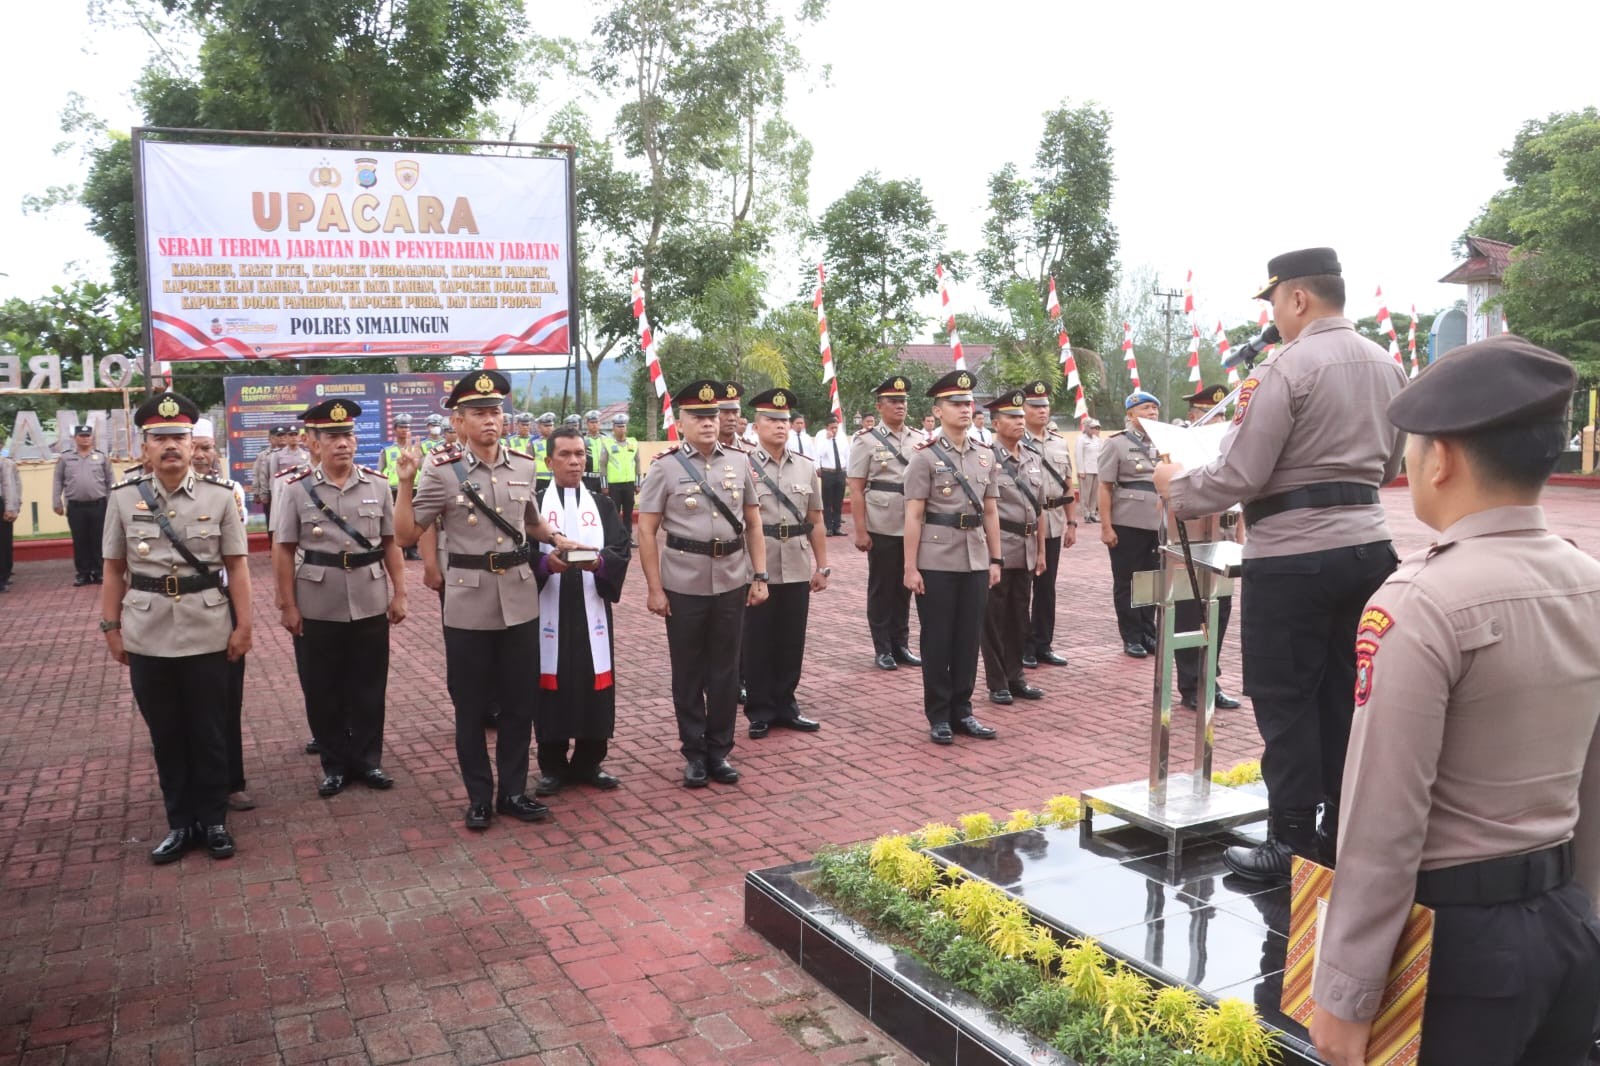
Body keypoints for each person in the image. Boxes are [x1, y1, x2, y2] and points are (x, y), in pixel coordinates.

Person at [1308, 335, 1600, 1066]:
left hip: (1458, 952)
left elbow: (1382, 818)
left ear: (1440, 458)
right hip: (1566, 925)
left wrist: (1344, 992)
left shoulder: (1422, 602)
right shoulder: (1588, 580)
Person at [1155, 247, 1407, 883]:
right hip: (1370, 550)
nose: (1274, 315)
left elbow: (1239, 473)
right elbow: (1391, 468)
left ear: (1297, 298)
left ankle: (1290, 841)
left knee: (1286, 697)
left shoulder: (1284, 368)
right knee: (1350, 692)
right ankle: (1340, 829)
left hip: (1294, 556)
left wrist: (1176, 485)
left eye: (1273, 302)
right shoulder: (1388, 364)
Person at [395, 370, 575, 830]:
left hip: (518, 597)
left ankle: (513, 791)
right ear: (459, 422)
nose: (490, 420)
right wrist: (404, 483)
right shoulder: (440, 470)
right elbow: (406, 534)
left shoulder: (523, 463)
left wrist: (557, 538)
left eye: (495, 411)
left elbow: (530, 522)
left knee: (520, 703)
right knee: (471, 706)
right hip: (468, 602)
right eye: (479, 413)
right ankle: (479, 797)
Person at [99, 392, 252, 863]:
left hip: (208, 627)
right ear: (144, 448)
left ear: (193, 445)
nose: (170, 446)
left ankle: (214, 821)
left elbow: (238, 567)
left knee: (209, 731)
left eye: (178, 438)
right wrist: (111, 627)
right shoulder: (123, 500)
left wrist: (244, 625)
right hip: (146, 631)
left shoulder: (221, 496)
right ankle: (180, 824)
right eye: (159, 438)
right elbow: (112, 569)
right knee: (166, 733)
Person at [637, 380, 768, 788]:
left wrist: (759, 575)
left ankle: (719, 750)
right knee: (689, 671)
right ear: (682, 422)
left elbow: (753, 521)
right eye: (699, 416)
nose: (709, 423)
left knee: (726, 671)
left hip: (731, 577)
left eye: (713, 416)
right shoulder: (665, 466)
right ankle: (693, 752)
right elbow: (646, 530)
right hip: (684, 581)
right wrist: (655, 588)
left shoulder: (738, 461)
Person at [273, 399, 407, 799]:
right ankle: (334, 764)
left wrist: (400, 593)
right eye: (332, 437)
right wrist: (287, 605)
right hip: (317, 599)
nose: (342, 444)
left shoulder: (378, 484)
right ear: (313, 443)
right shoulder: (296, 489)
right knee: (322, 687)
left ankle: (368, 760)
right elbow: (282, 549)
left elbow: (390, 544)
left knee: (369, 685)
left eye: (347, 435)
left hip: (368, 596)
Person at [903, 369, 1002, 746]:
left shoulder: (984, 456)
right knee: (938, 638)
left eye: (968, 403)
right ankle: (939, 714)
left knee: (966, 638)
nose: (964, 409)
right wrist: (910, 567)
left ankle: (964, 711)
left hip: (975, 558)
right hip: (936, 558)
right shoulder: (924, 458)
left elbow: (990, 511)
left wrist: (995, 559)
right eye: (956, 404)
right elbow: (913, 515)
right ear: (938, 410)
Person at [530, 427, 631, 795]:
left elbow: (621, 549)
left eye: (580, 454)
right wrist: (544, 567)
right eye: (566, 455)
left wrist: (599, 565)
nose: (575, 461)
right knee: (551, 680)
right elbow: (524, 555)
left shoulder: (602, 505)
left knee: (594, 680)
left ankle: (590, 761)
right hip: (550, 608)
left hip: (592, 609)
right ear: (549, 461)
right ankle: (552, 766)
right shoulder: (535, 505)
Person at [742, 388, 828, 739]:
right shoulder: (740, 464)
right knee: (757, 639)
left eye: (784, 421)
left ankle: (786, 705)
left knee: (792, 640)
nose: (780, 426)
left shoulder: (806, 467)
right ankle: (760, 709)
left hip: (795, 561)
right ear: (756, 425)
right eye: (772, 420)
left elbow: (816, 520)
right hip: (754, 567)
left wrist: (822, 565)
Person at [190, 418, 255, 810]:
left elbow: (236, 558)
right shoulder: (143, 496)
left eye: (206, 447)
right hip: (170, 605)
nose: (200, 454)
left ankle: (232, 781)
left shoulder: (230, 492)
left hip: (220, 598)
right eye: (194, 446)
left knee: (227, 697)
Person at [1171, 385, 1242, 713]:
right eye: (1210, 414)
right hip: (1193, 540)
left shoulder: (1234, 447)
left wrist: (1240, 538)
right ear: (1193, 416)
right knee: (1189, 613)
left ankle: (1210, 679)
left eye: (1224, 414)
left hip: (1224, 537)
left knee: (1219, 611)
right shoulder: (1180, 447)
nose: (1220, 421)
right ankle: (1190, 685)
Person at [846, 377, 921, 671]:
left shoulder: (917, 438)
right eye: (893, 401)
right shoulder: (865, 440)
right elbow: (856, 488)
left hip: (913, 523)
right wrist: (861, 530)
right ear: (879, 406)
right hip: (882, 522)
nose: (900, 406)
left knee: (905, 586)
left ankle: (901, 644)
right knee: (882, 587)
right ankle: (883, 647)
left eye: (903, 401)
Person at [980, 389, 1047, 705]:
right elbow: (983, 509)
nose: (1020, 421)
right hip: (1000, 547)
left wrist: (1042, 551)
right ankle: (997, 681)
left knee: (1020, 615)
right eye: (1012, 417)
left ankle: (1016, 675)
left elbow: (1040, 508)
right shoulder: (984, 457)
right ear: (995, 423)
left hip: (1028, 546)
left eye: (1022, 416)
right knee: (994, 616)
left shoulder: (1033, 457)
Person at [1099, 391, 1165, 659]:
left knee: (1152, 580)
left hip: (1158, 522)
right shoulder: (1116, 444)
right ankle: (1131, 635)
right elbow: (1104, 487)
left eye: (1155, 408)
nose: (1152, 413)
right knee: (1127, 580)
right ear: (1130, 414)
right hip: (1127, 522)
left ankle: (1149, 631)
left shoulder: (1163, 443)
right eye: (1146, 408)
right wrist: (1106, 527)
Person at [1022, 382, 1078, 669]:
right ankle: (1024, 646)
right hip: (1026, 523)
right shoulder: (1015, 440)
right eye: (1035, 406)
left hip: (1054, 521)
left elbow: (1067, 483)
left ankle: (1043, 643)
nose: (1041, 411)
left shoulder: (1058, 441)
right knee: (1023, 588)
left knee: (1047, 588)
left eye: (1044, 406)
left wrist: (1072, 522)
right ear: (1023, 409)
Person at [54, 424, 114, 585]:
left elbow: (110, 482)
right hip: (76, 507)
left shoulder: (101, 457)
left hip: (99, 505)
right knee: (80, 540)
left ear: (92, 437)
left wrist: (112, 504)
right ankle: (83, 573)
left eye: (88, 435)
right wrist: (56, 502)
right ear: (75, 438)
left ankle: (100, 572)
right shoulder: (65, 458)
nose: (85, 438)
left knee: (99, 539)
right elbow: (58, 481)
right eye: (81, 435)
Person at [379, 413, 423, 560]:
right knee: (394, 519)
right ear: (395, 429)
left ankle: (412, 549)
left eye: (407, 427)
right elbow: (380, 471)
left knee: (413, 519)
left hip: (414, 487)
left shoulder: (417, 449)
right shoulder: (387, 450)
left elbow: (423, 468)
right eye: (402, 427)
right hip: (394, 489)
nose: (405, 430)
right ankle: (398, 549)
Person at [601, 414, 640, 542]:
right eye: (618, 426)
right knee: (615, 512)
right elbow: (603, 465)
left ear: (626, 428)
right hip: (614, 485)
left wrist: (638, 483)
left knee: (628, 513)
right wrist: (604, 485)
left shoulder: (633, 443)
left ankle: (628, 537)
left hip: (629, 484)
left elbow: (637, 463)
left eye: (623, 426)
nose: (621, 429)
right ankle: (616, 537)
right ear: (613, 428)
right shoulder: (607, 443)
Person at [814, 413, 849, 536]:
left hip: (841, 472)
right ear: (827, 427)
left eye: (836, 427)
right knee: (827, 501)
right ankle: (828, 527)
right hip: (828, 472)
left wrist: (848, 472)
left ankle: (837, 527)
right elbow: (819, 453)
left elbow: (847, 454)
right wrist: (828, 440)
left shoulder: (842, 436)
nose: (834, 430)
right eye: (832, 427)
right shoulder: (821, 436)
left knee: (838, 501)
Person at [1076, 419, 1102, 523]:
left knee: (1094, 494)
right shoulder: (1081, 439)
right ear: (1086, 428)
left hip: (1096, 469)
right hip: (1086, 470)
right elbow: (1078, 455)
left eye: (1096, 427)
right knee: (1085, 494)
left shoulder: (1097, 439)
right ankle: (1086, 514)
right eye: (1092, 427)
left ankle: (1092, 513)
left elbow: (1101, 454)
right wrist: (1081, 470)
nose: (1094, 429)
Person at [0, 449, 19, 592]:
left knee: (3, 543)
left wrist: (10, 507)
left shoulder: (4, 463)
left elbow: (8, 485)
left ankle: (2, 578)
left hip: (1, 503)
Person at [717, 383, 749, 453]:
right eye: (725, 412)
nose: (731, 418)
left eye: (735, 412)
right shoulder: (704, 448)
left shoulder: (749, 450)